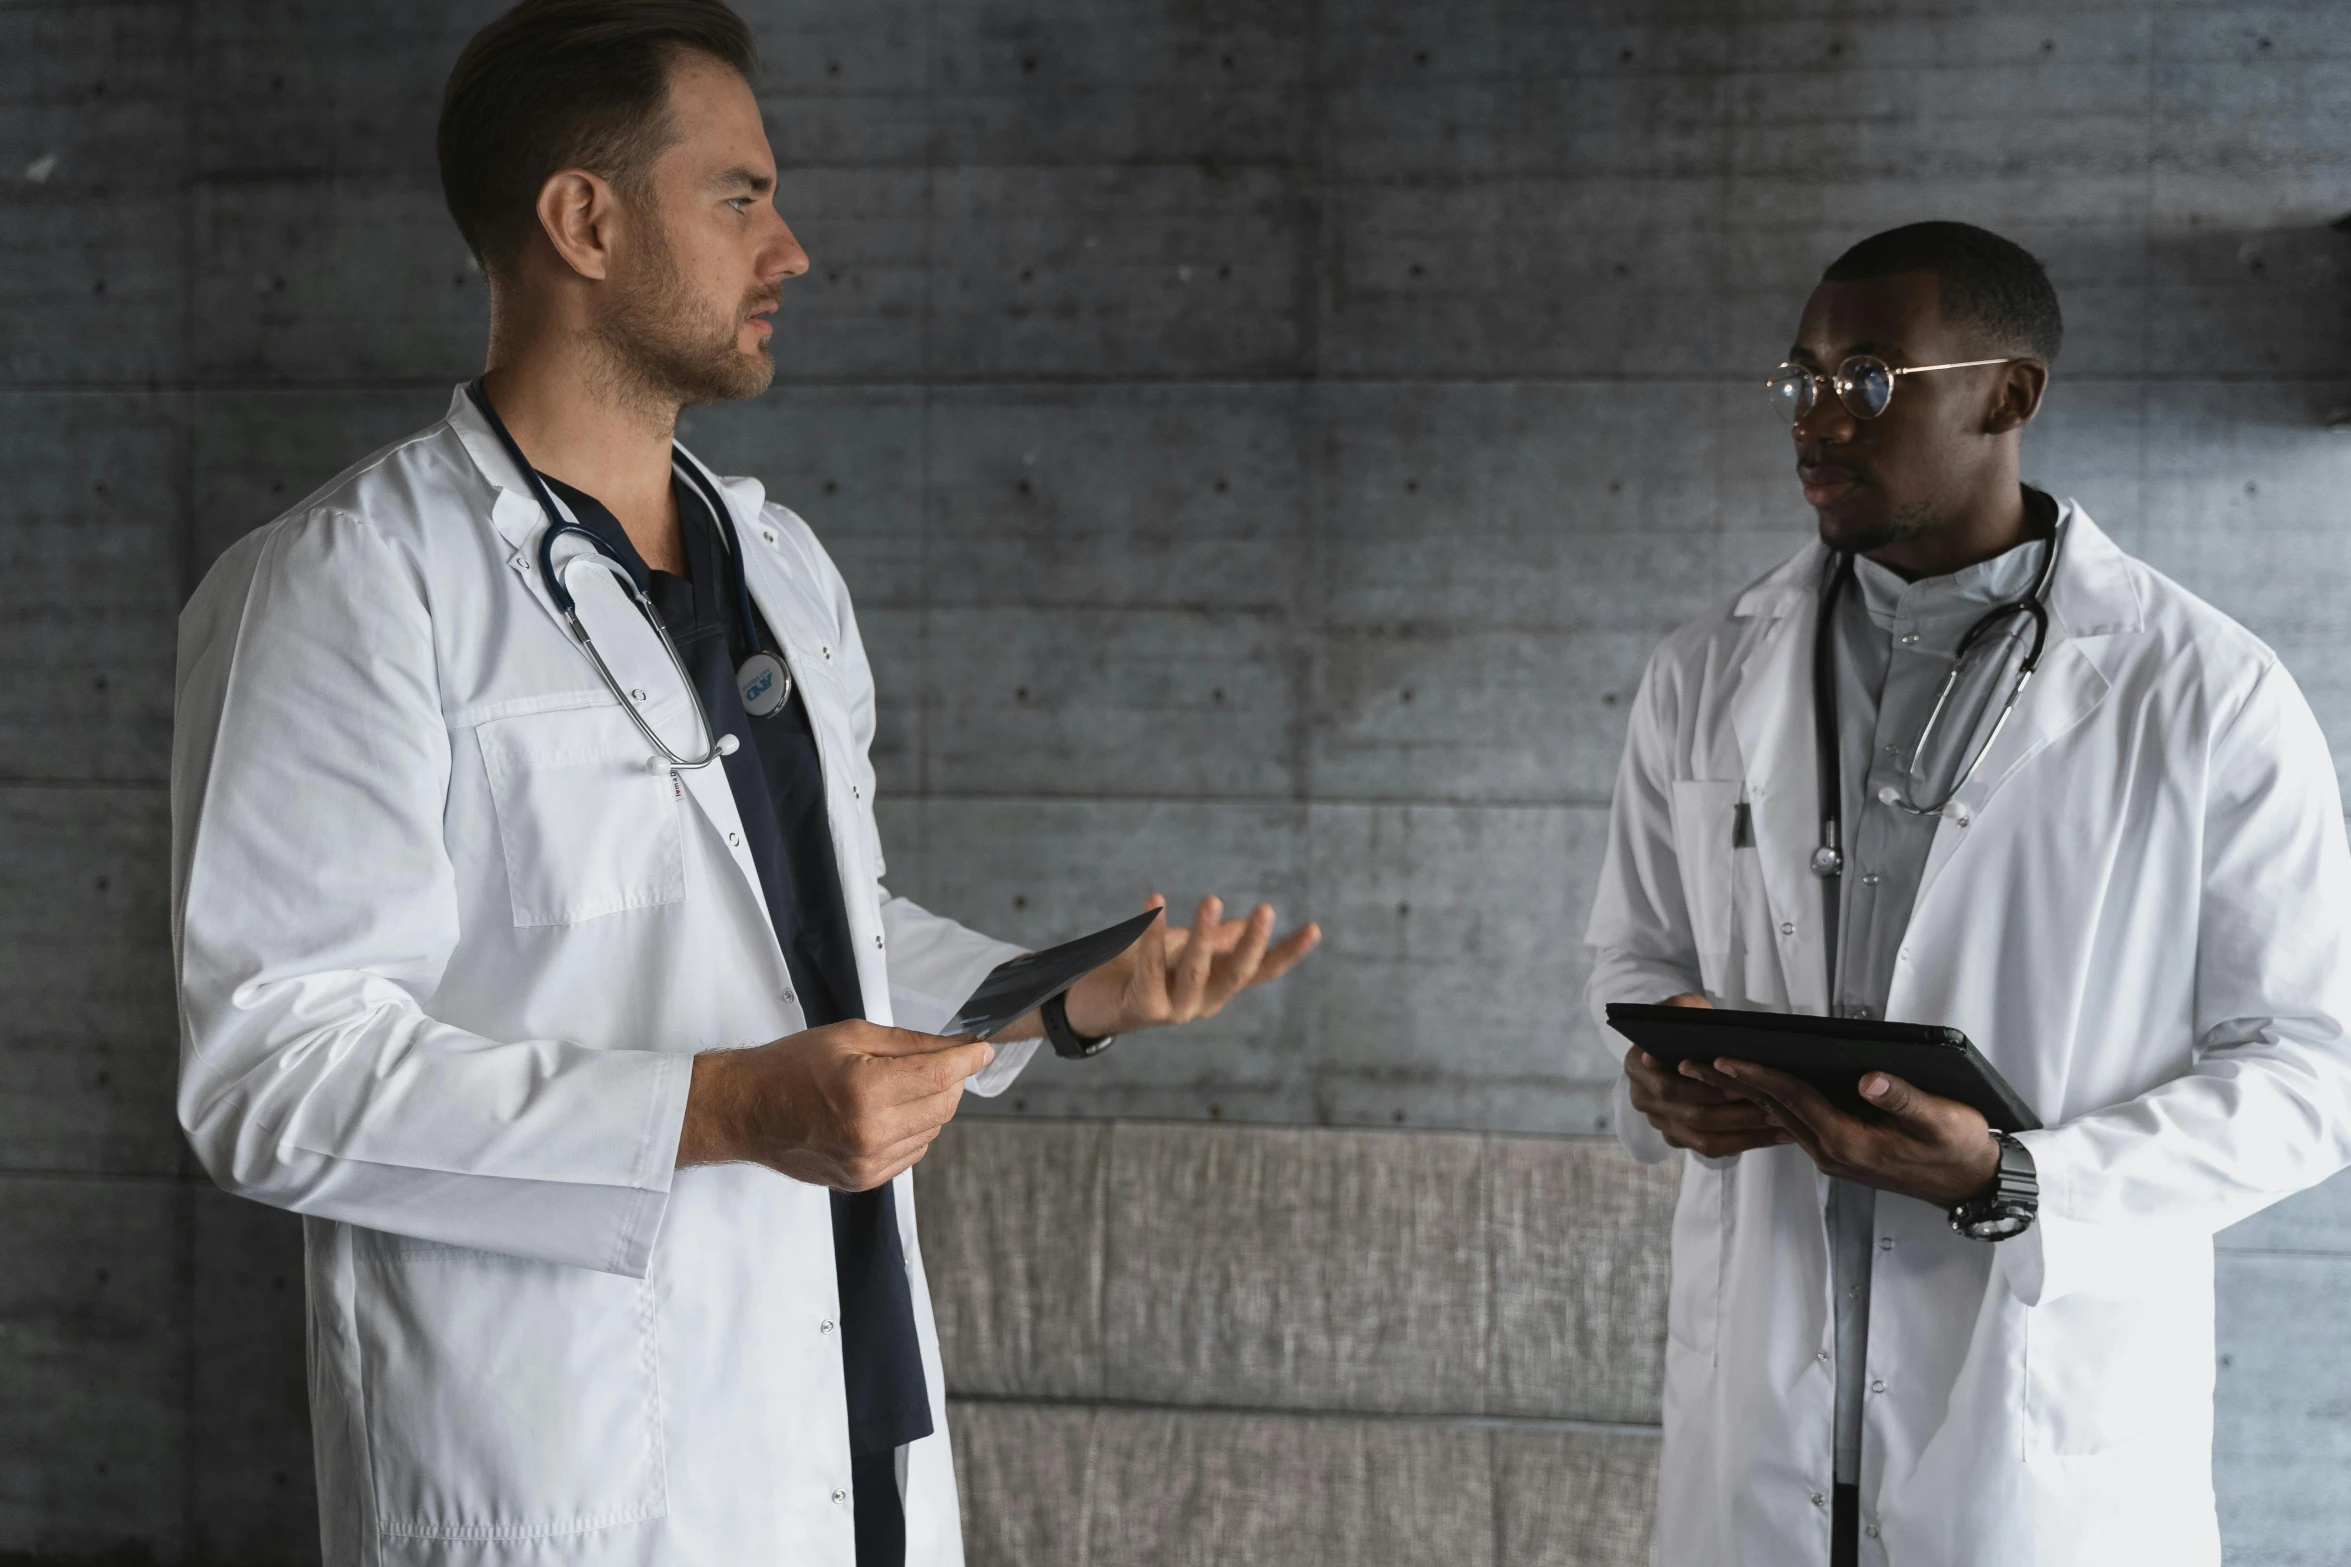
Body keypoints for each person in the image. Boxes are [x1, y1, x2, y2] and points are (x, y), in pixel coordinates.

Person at [168, 4, 1319, 1564]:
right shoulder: (352, 583)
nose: (789, 250)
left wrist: (1057, 996)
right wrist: (716, 1107)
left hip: (840, 1438)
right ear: (583, 218)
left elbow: (815, 932)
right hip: (569, 1464)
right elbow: (273, 1077)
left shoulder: (777, 565)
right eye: (740, 197)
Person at [1584, 221, 2351, 1565]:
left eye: (1868, 378)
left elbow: (2312, 1071)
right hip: (1762, 1423)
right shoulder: (1705, 669)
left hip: (2029, 1434)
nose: (1816, 421)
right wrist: (1662, 1064)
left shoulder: (2205, 694)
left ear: (2008, 396)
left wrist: (2016, 1177)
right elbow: (1633, 954)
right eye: (1799, 380)